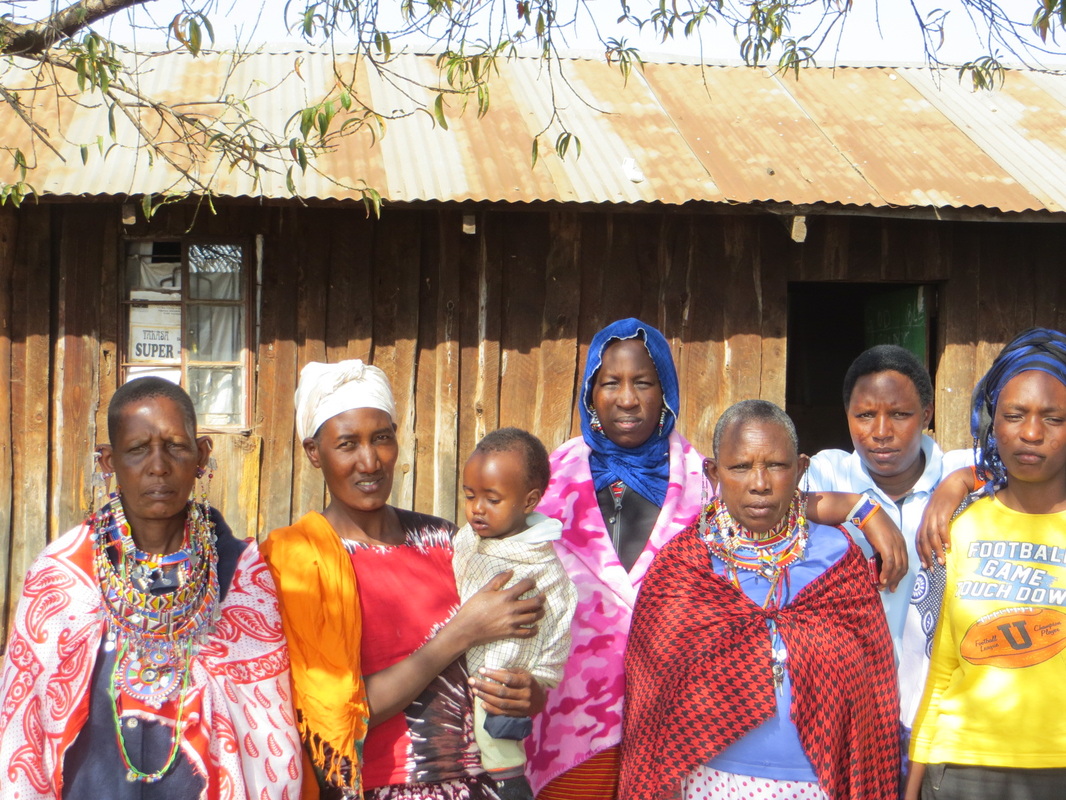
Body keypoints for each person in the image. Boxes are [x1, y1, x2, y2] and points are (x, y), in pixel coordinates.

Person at [529, 318, 907, 799]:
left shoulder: (697, 481)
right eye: (611, 383)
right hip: (572, 719)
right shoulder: (554, 481)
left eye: (644, 382)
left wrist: (859, 506)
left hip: (813, 780)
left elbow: (870, 692)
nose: (758, 481)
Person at [0, 377, 302, 800]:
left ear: (202, 454)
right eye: (138, 449)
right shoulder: (61, 577)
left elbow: (270, 734)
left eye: (175, 446)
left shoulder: (243, 576)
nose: (158, 466)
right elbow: (22, 734)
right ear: (109, 461)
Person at [262, 359, 546, 800]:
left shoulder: (449, 541)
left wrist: (528, 692)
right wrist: (461, 633)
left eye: (382, 438)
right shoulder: (300, 563)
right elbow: (338, 709)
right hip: (381, 788)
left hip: (488, 785)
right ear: (313, 453)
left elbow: (515, 643)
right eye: (347, 444)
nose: (370, 461)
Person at [621, 399, 901, 800]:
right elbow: (651, 710)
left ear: (801, 470)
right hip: (710, 783)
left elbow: (873, 695)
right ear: (714, 473)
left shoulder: (839, 560)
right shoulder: (683, 567)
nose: (759, 483)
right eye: (740, 467)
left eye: (776, 465)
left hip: (819, 786)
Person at [908, 328, 1066, 800]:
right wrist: (913, 784)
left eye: (1053, 418)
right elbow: (942, 668)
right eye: (1014, 415)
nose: (1031, 433)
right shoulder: (958, 523)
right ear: (989, 422)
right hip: (960, 769)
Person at [805, 346, 973, 742]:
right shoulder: (827, 473)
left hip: (942, 713)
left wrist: (961, 481)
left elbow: (1033, 462)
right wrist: (858, 508)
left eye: (900, 414)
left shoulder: (957, 469)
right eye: (864, 415)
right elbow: (763, 502)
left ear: (927, 414)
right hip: (850, 711)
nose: (881, 431)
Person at [454, 428, 578, 800]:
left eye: (492, 499)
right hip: (450, 685)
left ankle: (511, 788)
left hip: (500, 685)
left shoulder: (542, 568)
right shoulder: (466, 539)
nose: (477, 508)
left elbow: (559, 623)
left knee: (499, 753)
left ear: (529, 501)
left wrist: (539, 678)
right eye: (470, 495)